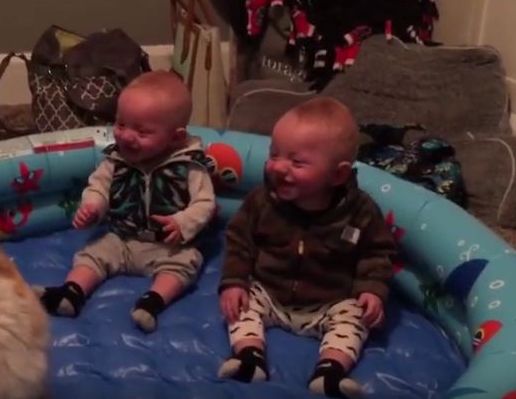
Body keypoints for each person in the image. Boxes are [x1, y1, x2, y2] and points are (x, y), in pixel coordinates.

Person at [217, 96, 396, 398]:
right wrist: (234, 282)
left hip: (330, 300)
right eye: (274, 154)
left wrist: (372, 288)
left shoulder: (359, 211)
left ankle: (331, 369)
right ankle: (249, 356)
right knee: (241, 307)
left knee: (355, 318)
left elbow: (377, 252)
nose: (279, 168)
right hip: (270, 292)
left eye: (297, 162)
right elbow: (238, 240)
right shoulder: (262, 201)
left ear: (338, 174)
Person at [35, 71, 216, 333]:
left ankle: (153, 301)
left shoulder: (189, 166)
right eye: (120, 125)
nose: (127, 136)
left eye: (142, 131)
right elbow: (99, 186)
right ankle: (71, 292)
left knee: (185, 263)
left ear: (176, 137)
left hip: (167, 245)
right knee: (93, 254)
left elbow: (205, 204)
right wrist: (93, 207)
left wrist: (182, 222)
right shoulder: (116, 160)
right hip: (122, 238)